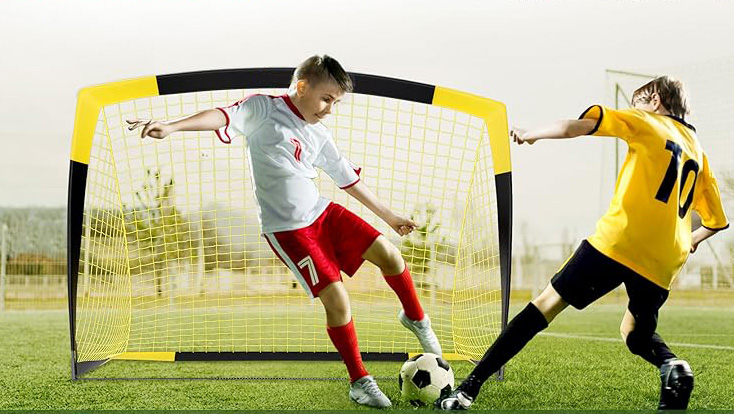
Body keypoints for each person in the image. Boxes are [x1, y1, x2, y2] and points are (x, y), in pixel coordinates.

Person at [127, 55, 442, 409]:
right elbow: (221, 115)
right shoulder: (262, 109)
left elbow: (347, 180)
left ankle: (416, 319)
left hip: (322, 213)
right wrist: (172, 126)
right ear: (302, 86)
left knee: (390, 254)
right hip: (289, 230)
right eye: (326, 98)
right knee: (338, 301)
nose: (329, 109)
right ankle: (359, 381)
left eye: (336, 102)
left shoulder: (319, 133)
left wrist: (390, 216)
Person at [436, 76, 729, 411]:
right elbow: (716, 222)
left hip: (619, 241)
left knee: (544, 306)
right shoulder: (698, 152)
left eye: (639, 102)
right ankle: (673, 366)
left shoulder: (647, 121)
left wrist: (533, 134)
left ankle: (466, 391)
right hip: (664, 260)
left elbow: (577, 127)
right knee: (634, 334)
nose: (634, 109)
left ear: (656, 100)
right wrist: (690, 239)